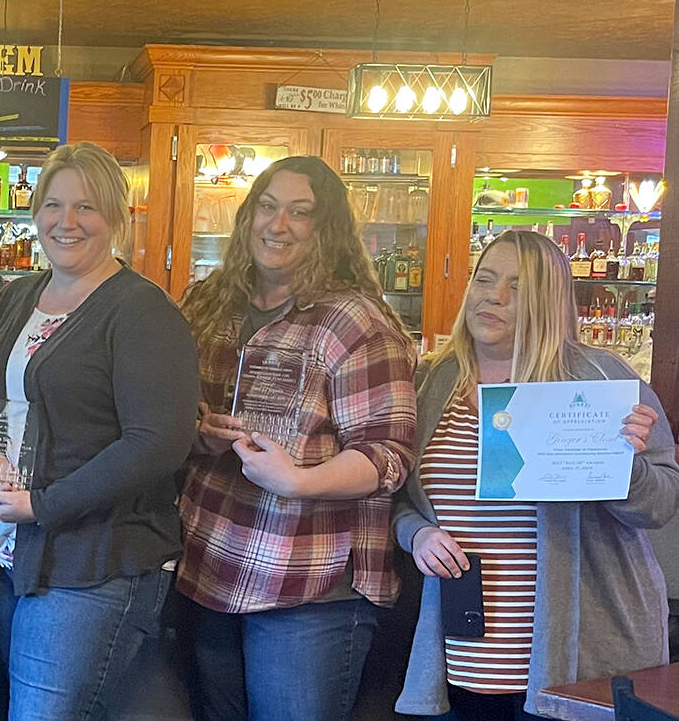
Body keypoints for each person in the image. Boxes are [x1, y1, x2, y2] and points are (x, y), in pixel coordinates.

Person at [393, 229, 676, 720]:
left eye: (518, 288)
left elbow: (660, 504)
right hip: (464, 652)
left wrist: (620, 464)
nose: (494, 296)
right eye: (485, 279)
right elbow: (395, 492)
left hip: (577, 652)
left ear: (548, 301)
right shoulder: (429, 381)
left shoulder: (602, 378)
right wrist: (416, 534)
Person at [176, 155, 418, 721]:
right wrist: (199, 432)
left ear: (325, 228)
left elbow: (389, 454)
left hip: (309, 585)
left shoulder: (355, 322)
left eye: (299, 213)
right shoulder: (209, 302)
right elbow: (172, 413)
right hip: (207, 561)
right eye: (267, 206)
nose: (277, 225)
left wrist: (301, 480)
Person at [0, 141, 199, 718]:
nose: (65, 222)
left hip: (96, 558)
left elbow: (158, 443)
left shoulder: (142, 310)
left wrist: (41, 504)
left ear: (117, 217)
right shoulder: (19, 296)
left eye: (86, 208)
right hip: (11, 546)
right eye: (52, 205)